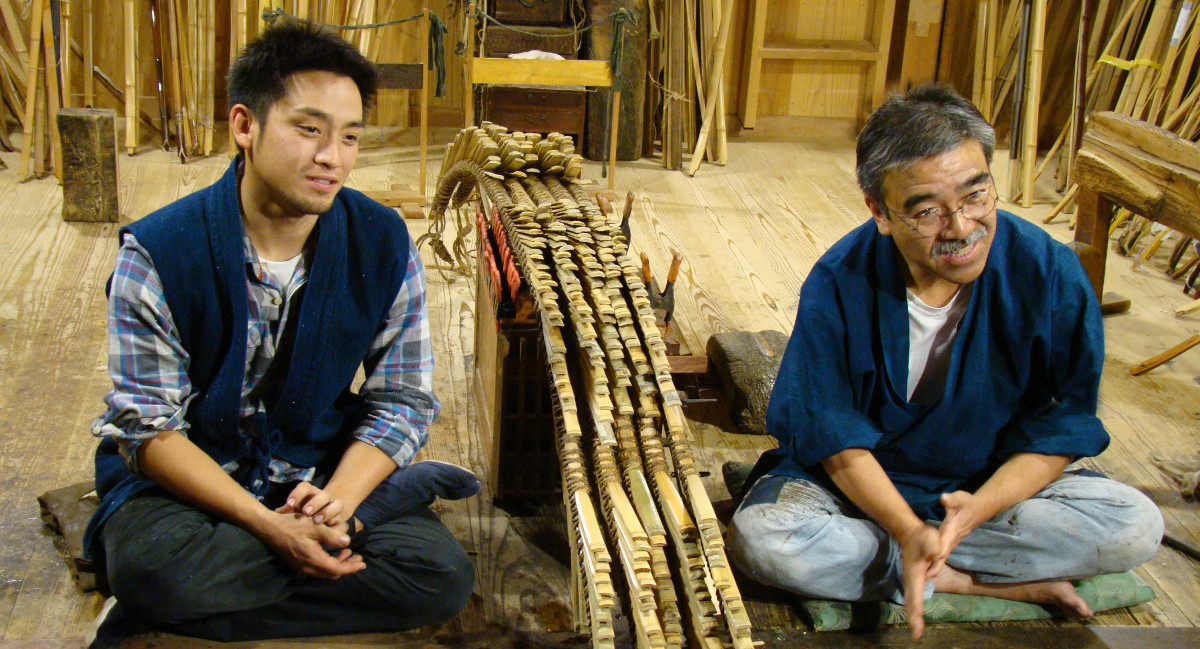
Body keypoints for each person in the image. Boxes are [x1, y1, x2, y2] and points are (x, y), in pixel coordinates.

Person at [82, 22, 480, 648]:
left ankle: (195, 601)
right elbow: (149, 429)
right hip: (197, 475)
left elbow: (403, 399)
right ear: (245, 126)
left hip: (314, 464)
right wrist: (269, 527)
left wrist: (341, 502)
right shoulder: (158, 253)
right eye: (309, 129)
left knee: (441, 576)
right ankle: (186, 592)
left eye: (350, 138)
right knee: (151, 569)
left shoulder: (383, 241)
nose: (333, 158)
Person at [725, 84, 1163, 639]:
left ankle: (926, 563)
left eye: (976, 197)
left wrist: (971, 513)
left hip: (986, 487)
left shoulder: (1048, 273)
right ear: (879, 212)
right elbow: (831, 438)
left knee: (1136, 525)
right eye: (928, 211)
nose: (961, 228)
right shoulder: (840, 281)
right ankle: (973, 583)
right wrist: (908, 529)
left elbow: (1058, 430)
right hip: (858, 494)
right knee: (765, 539)